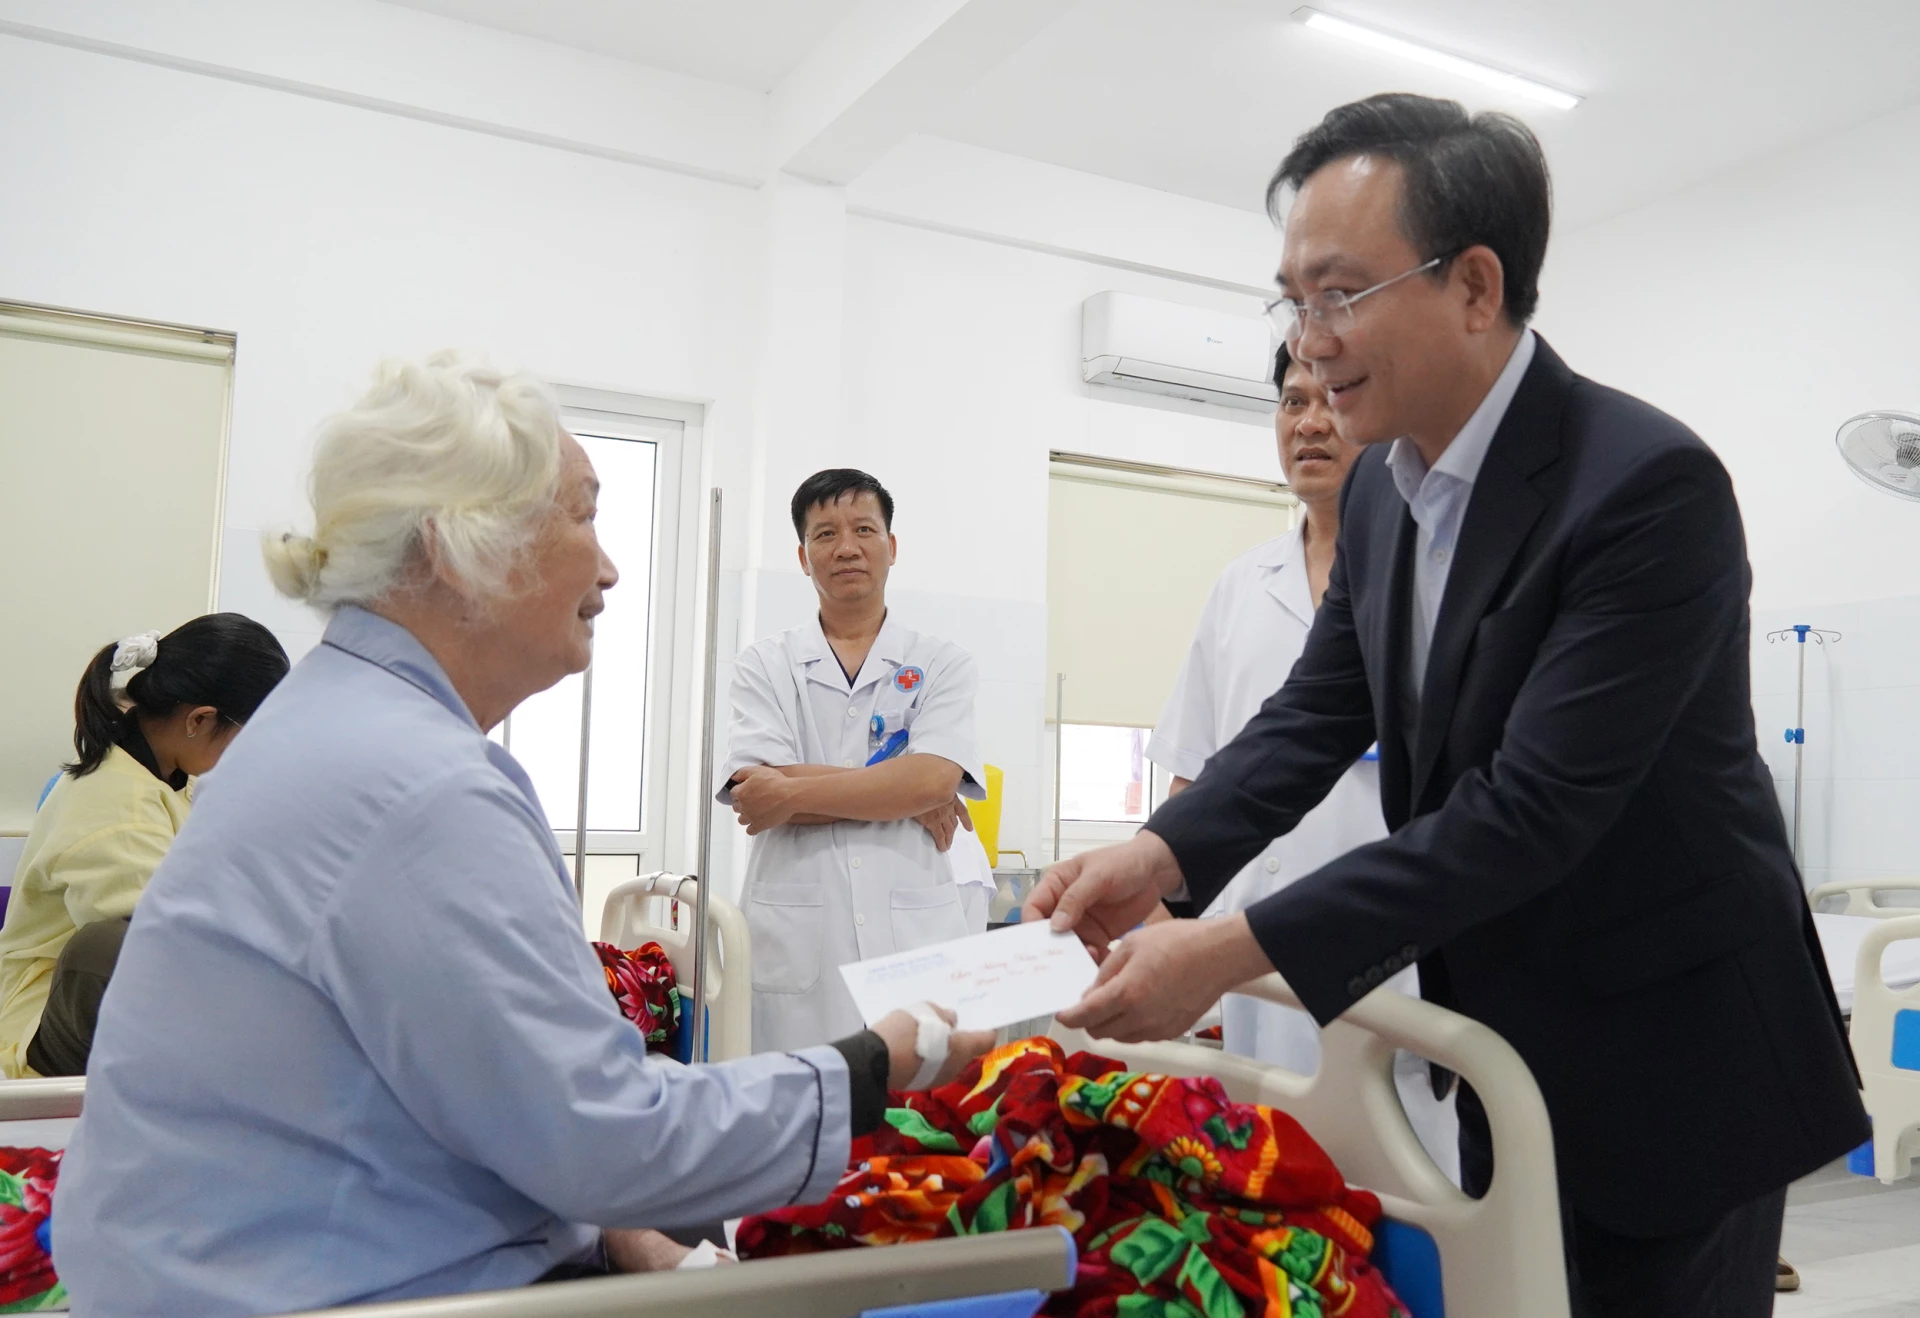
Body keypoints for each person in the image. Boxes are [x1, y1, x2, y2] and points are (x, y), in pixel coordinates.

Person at [1029, 94, 1865, 1317]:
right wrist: (1158, 858)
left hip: (1674, 1059)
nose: (1309, 343)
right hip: (1508, 1039)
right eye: (1291, 300)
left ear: (1476, 285)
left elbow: (1529, 810)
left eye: (1338, 294)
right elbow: (1314, 714)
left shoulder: (1645, 488)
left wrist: (1228, 952)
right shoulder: (1385, 489)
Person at [53, 355, 993, 1317]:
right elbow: (610, 1137)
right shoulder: (420, 786)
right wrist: (880, 1061)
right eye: (584, 518)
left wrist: (621, 1235)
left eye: (864, 532)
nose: (610, 568)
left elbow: (497, 1100)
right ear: (463, 547)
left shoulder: (329, 719)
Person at [1147, 344, 1457, 1181]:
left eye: (1330, 399)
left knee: (1409, 1189)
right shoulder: (1239, 586)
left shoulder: (1434, 576)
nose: (1311, 423)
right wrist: (1161, 908)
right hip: (1255, 957)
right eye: (1292, 402)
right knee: (1273, 1185)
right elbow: (1196, 773)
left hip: (1400, 954)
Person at [724, 469, 989, 1052]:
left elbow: (934, 778)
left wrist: (791, 792)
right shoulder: (764, 665)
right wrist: (903, 795)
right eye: (825, 534)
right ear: (803, 557)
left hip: (912, 934)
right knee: (800, 1095)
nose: (846, 547)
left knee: (918, 1097)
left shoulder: (942, 664)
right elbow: (754, 794)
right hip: (799, 947)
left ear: (891, 547)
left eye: (864, 530)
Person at [0, 612, 288, 1078]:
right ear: (200, 719)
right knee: (113, 947)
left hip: (134, 999)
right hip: (47, 1027)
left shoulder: (166, 776)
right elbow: (173, 942)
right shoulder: (114, 806)